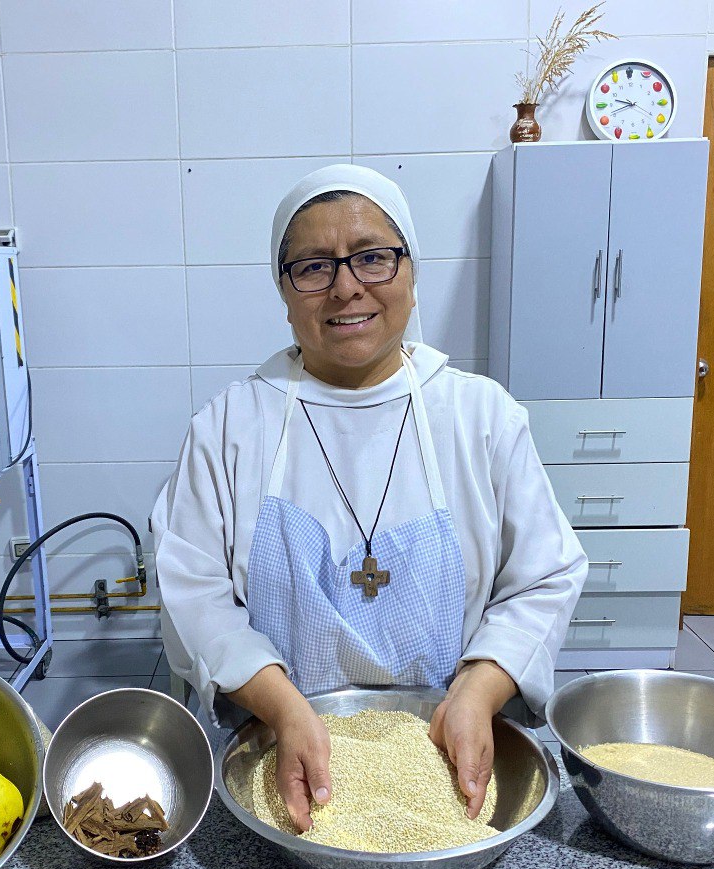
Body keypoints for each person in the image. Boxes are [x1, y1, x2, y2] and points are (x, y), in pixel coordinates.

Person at [151, 164, 587, 832]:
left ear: (412, 273)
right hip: (278, 746)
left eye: (373, 258)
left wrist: (477, 691)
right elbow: (194, 594)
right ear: (284, 289)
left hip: (442, 750)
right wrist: (288, 711)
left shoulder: (479, 415)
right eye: (314, 267)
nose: (347, 286)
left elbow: (546, 576)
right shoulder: (232, 426)